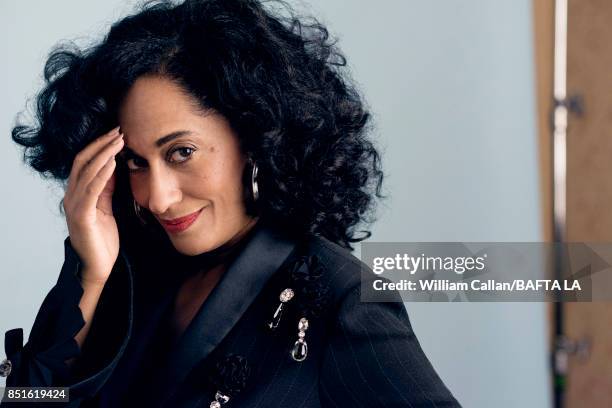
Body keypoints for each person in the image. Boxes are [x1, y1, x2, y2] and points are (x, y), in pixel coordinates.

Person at [1, 0, 461, 406]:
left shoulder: (342, 302)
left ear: (256, 137)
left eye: (182, 152)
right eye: (136, 163)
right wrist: (90, 272)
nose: (158, 197)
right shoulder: (131, 273)